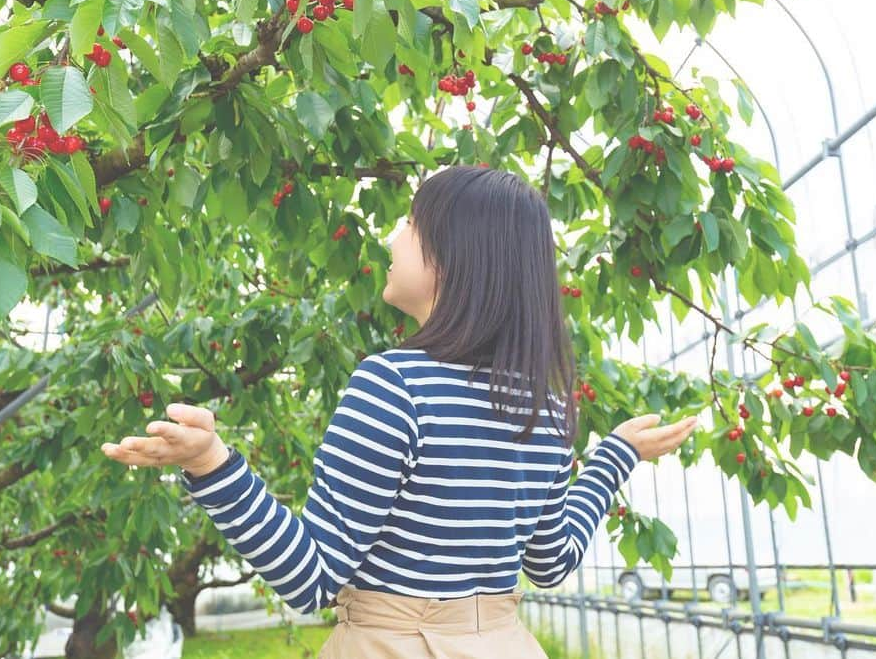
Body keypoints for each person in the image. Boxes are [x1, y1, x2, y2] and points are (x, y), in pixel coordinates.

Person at [101, 165, 699, 658]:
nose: (391, 236)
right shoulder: (543, 408)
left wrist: (214, 464)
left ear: (456, 255)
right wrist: (615, 456)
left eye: (411, 223)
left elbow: (310, 577)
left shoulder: (395, 386)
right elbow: (551, 561)